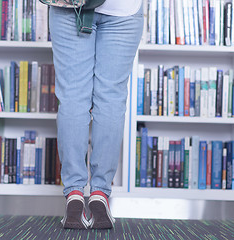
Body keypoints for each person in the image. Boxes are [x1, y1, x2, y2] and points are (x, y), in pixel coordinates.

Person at [49, 0, 143, 229]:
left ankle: (75, 196)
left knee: (73, 98)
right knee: (111, 99)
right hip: (123, 9)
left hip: (71, 6)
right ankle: (100, 193)